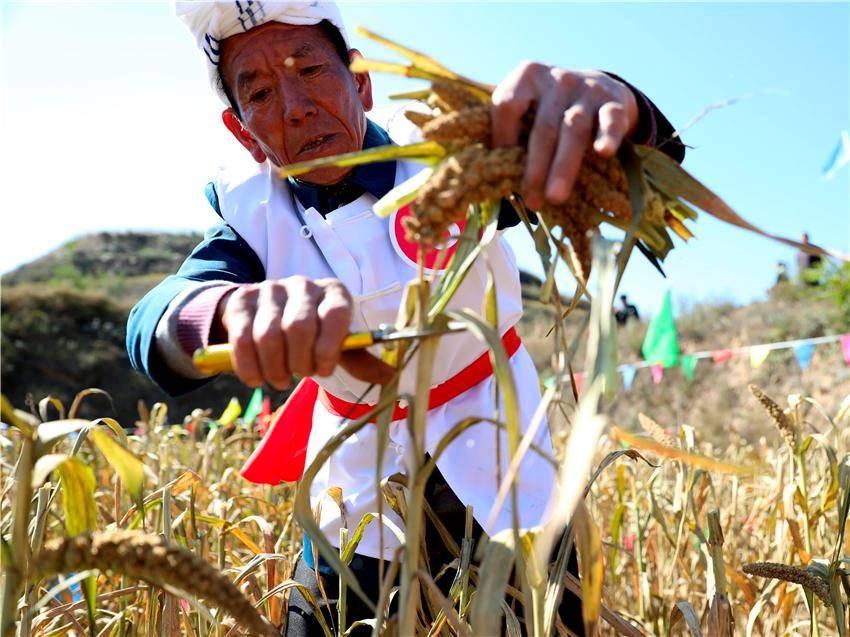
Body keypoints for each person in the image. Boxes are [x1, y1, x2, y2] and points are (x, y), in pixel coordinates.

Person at [126, 2, 686, 634]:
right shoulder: (250, 214)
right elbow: (157, 319)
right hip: (354, 480)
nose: (295, 107)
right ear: (241, 131)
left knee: (540, 617)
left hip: (498, 447)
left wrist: (616, 108)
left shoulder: (452, 155)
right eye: (259, 93)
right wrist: (226, 312)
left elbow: (632, 169)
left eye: (310, 69)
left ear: (361, 81)